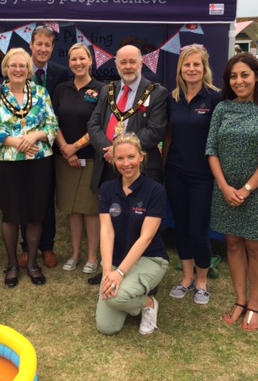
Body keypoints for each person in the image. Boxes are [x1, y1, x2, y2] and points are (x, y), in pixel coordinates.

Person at [205, 52, 258, 331]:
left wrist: (247, 189)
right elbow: (211, 150)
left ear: (257, 77)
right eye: (233, 76)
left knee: (256, 246)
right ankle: (240, 301)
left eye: (244, 75)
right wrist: (225, 187)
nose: (238, 81)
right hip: (225, 190)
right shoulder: (222, 109)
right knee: (234, 244)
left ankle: (254, 305)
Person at [86, 44, 168, 284]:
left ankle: (139, 270)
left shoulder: (157, 92)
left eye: (133, 61)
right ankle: (109, 268)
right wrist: (109, 151)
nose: (128, 66)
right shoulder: (107, 90)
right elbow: (93, 124)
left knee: (139, 221)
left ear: (142, 64)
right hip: (108, 164)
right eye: (123, 62)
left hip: (140, 168)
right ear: (116, 65)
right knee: (112, 221)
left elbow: (155, 131)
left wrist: (122, 151)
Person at [0, 47, 59, 288]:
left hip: (39, 161)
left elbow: (52, 125)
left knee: (36, 212)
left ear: (29, 70)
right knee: (11, 213)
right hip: (7, 162)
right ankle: (13, 263)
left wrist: (34, 136)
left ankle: (33, 263)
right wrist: (17, 142)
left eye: (22, 65)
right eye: (13, 65)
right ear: (6, 69)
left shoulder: (40, 92)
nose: (18, 69)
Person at [163, 45, 221, 305]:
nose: (191, 69)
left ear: (204, 68)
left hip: (203, 176)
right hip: (175, 172)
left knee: (199, 230)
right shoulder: (172, 98)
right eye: (187, 65)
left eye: (196, 64)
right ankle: (187, 278)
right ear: (181, 69)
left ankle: (202, 281)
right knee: (182, 228)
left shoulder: (215, 98)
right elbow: (167, 134)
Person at [95, 133, 169, 336]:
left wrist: (119, 275)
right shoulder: (108, 189)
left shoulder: (155, 191)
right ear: (114, 160)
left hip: (149, 258)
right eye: (120, 158)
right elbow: (107, 231)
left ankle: (148, 303)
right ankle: (127, 295)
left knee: (114, 298)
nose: (126, 163)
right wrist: (107, 272)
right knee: (106, 328)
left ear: (141, 157)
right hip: (117, 261)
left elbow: (146, 238)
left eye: (131, 157)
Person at [19, 25, 71, 270]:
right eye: (38, 44)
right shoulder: (19, 70)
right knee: (24, 197)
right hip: (20, 147)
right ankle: (26, 248)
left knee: (45, 197)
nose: (42, 49)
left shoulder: (61, 73)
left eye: (47, 45)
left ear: (52, 48)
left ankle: (47, 246)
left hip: (48, 146)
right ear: (31, 45)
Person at [52, 43, 104, 274]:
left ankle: (92, 256)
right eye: (73, 59)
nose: (78, 63)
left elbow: (101, 124)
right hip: (64, 159)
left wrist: (76, 147)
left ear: (90, 60)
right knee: (72, 209)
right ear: (69, 62)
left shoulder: (102, 89)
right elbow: (53, 122)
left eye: (82, 58)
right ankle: (75, 254)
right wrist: (65, 149)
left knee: (90, 210)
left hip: (90, 157)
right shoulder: (61, 88)